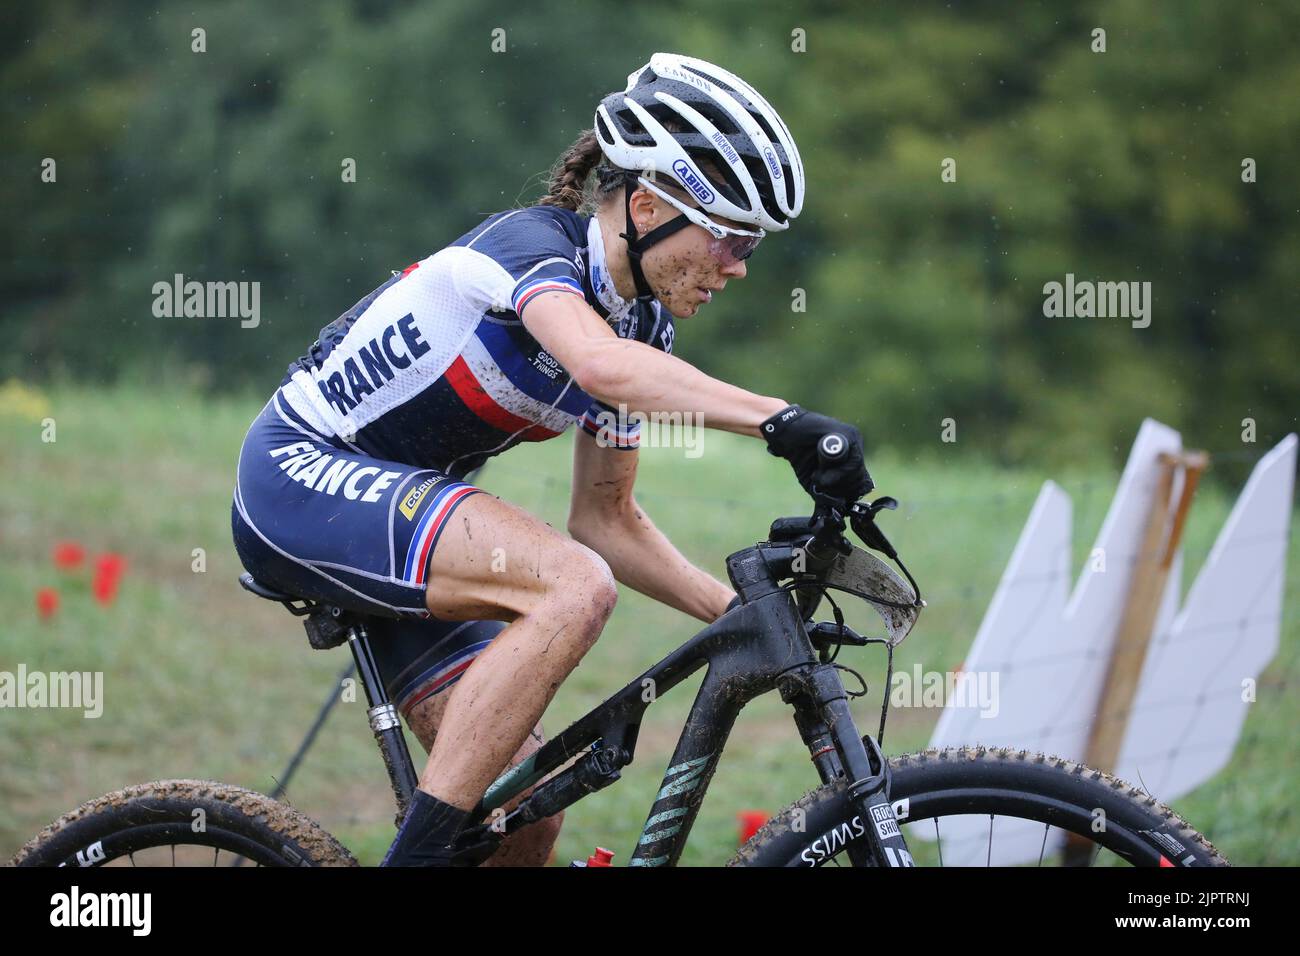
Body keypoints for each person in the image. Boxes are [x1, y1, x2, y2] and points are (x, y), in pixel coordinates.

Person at [229, 51, 871, 867]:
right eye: (732, 237)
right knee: (572, 586)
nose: (739, 266)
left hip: (391, 511)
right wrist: (783, 420)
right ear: (647, 204)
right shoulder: (533, 251)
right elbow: (601, 371)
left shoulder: (639, 328)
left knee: (525, 810)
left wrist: (741, 616)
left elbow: (606, 520)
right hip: (297, 474)